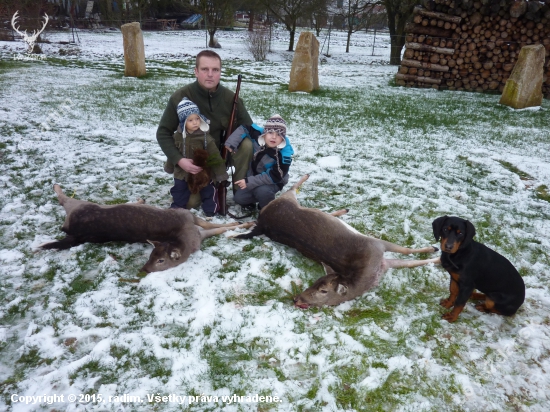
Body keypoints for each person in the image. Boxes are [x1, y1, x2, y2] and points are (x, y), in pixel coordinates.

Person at [157, 50, 253, 208]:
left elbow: (248, 127)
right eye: (204, 69)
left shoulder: (231, 99)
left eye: (215, 70)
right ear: (196, 71)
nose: (210, 74)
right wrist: (179, 160)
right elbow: (163, 132)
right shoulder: (180, 97)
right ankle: (210, 183)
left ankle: (240, 190)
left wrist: (232, 143)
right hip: (195, 161)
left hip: (222, 156)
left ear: (220, 72)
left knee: (247, 144)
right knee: (190, 203)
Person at [169, 98, 228, 216]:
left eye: (197, 118)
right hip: (182, 172)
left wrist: (221, 174)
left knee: (208, 190)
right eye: (190, 120)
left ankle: (211, 210)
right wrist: (169, 166)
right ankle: (177, 208)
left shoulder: (205, 137)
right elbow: (172, 153)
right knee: (179, 189)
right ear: (183, 122)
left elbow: (215, 156)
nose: (195, 122)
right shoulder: (177, 136)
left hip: (202, 171)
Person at [224, 115, 294, 210]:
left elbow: (276, 176)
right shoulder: (258, 134)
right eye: (270, 132)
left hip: (273, 181)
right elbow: (244, 127)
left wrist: (250, 181)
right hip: (254, 176)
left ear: (283, 138)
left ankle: (267, 208)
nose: (273, 137)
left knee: (262, 190)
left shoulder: (284, 154)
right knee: (239, 198)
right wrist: (231, 143)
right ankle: (257, 199)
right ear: (265, 133)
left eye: (278, 135)